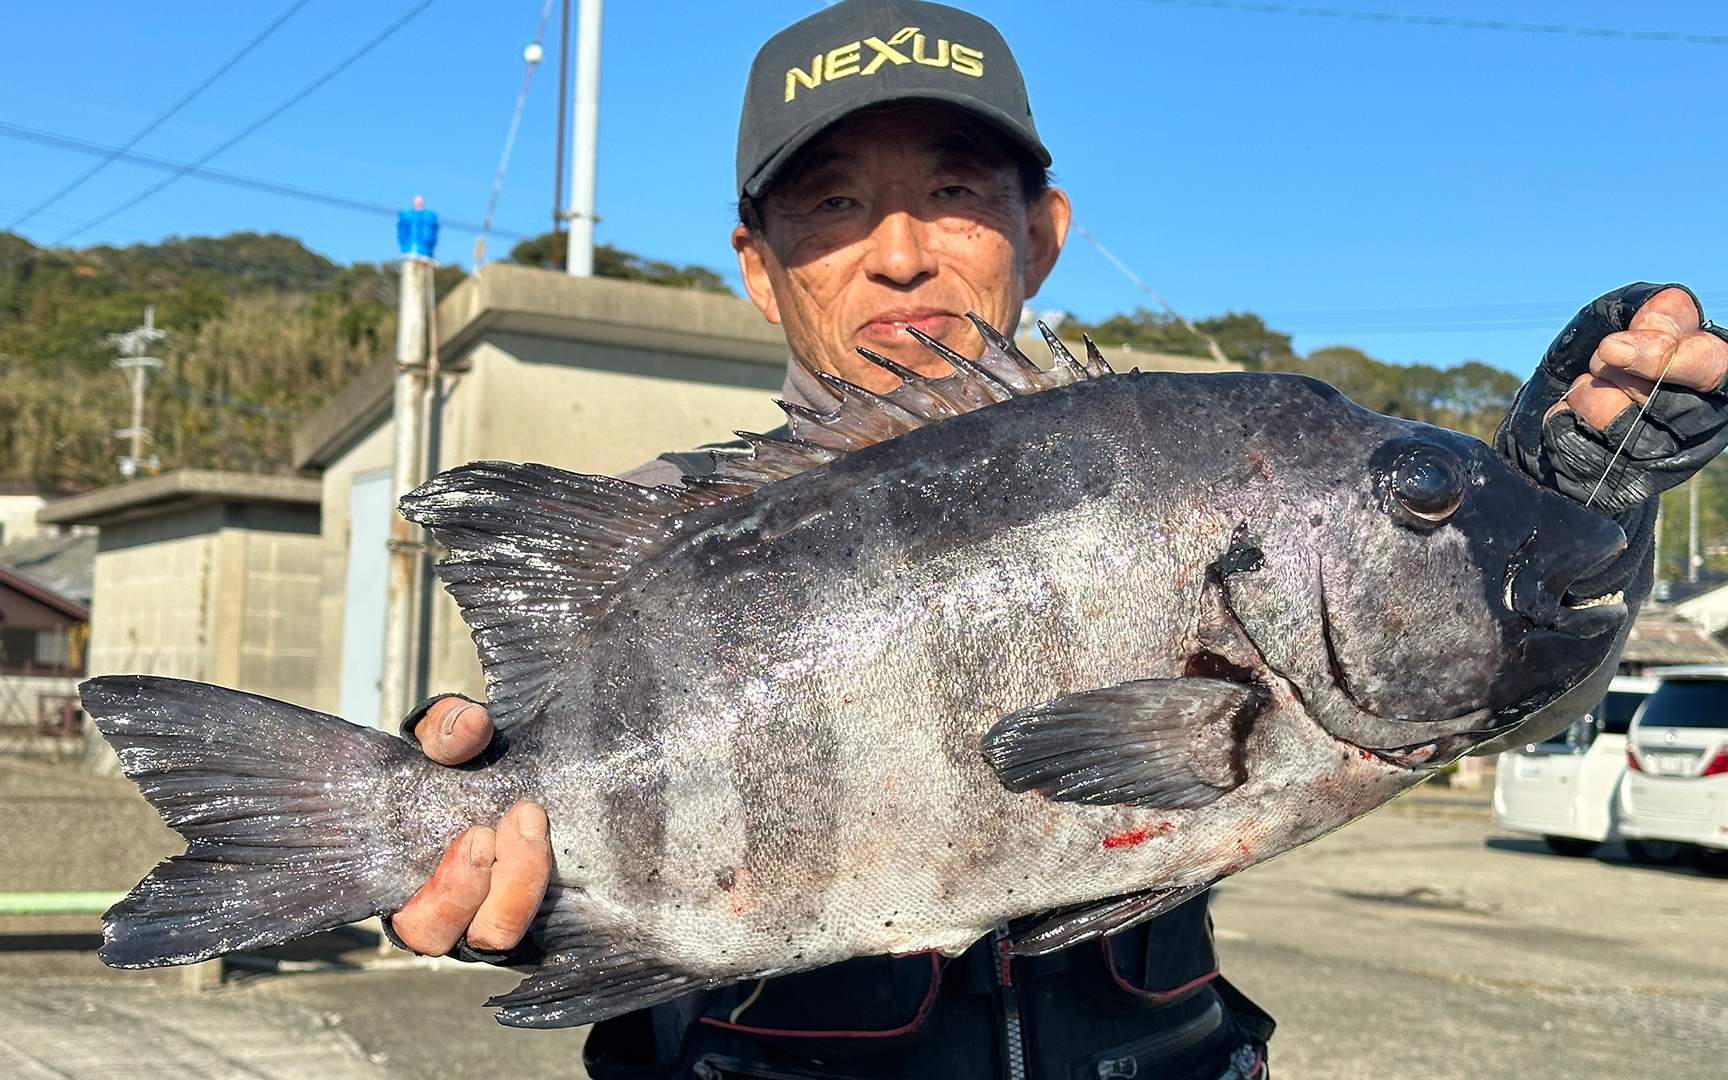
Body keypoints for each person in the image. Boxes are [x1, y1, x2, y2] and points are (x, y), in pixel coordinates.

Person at [382, 2, 1728, 1077]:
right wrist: (462, 857)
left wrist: (1578, 501)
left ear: (1045, 230)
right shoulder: (668, 530)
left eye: (955, 191)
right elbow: (518, 794)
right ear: (756, 257)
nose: (898, 252)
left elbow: (1502, 706)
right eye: (833, 204)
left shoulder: (1189, 463)